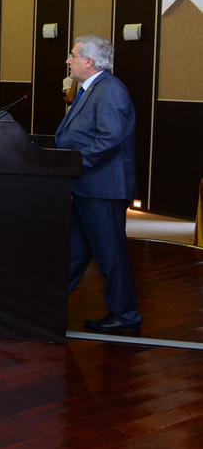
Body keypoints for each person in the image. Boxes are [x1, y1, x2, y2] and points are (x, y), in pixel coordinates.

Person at [56, 35, 141, 334]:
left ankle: (126, 316)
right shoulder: (91, 88)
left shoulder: (110, 90)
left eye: (73, 55)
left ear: (89, 61)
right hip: (87, 186)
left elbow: (111, 138)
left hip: (102, 187)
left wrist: (76, 163)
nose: (68, 60)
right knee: (74, 251)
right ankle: (48, 303)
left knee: (110, 254)